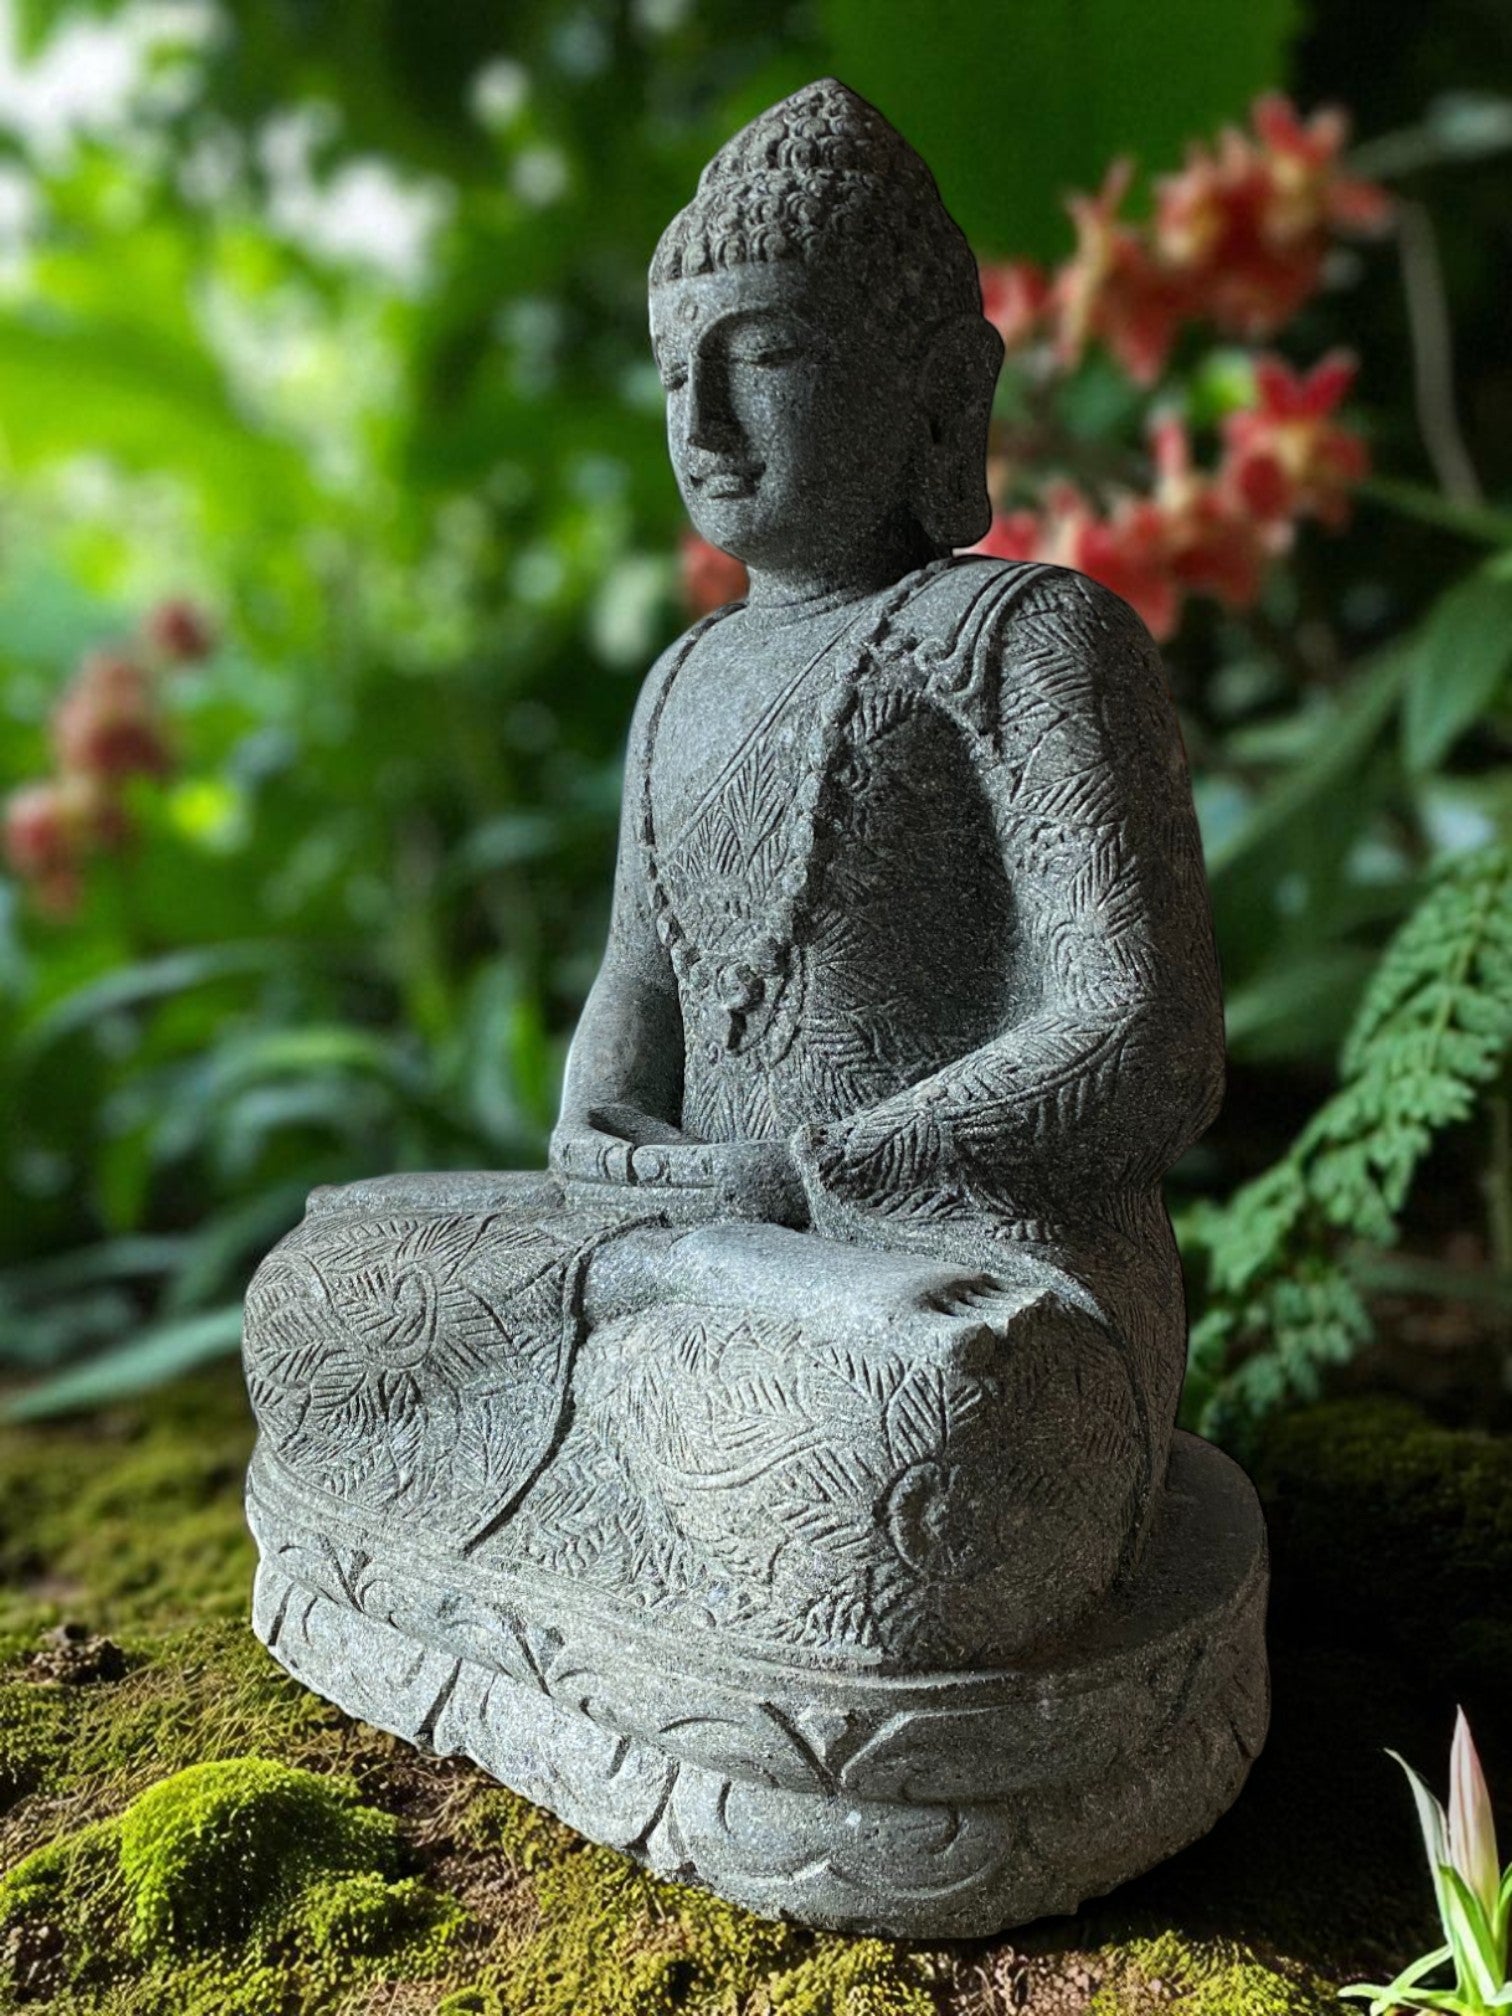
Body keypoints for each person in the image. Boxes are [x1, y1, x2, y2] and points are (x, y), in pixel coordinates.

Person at [244, 76, 1223, 1690]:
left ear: (939, 390)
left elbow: (1144, 1035)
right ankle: (664, 1419)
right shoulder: (682, 680)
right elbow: (632, 1008)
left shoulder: (1024, 638)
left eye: (762, 357)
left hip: (943, 1279)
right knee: (321, 1294)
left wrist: (822, 1167)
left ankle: (652, 1468)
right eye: (673, 372)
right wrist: (607, 1139)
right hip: (694, 1253)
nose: (702, 424)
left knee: (926, 1446)